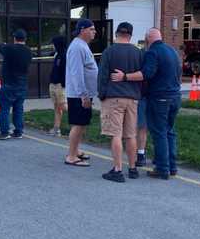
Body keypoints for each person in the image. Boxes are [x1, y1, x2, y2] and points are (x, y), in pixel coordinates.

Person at [111, 28, 181, 180]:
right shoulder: (172, 51)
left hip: (160, 97)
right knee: (170, 131)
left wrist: (125, 77)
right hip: (175, 96)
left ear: (148, 39)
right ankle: (172, 166)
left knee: (159, 132)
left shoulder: (152, 52)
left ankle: (162, 169)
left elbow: (146, 74)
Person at [97, 22, 144, 182]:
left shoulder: (109, 52)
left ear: (116, 34)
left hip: (114, 97)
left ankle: (117, 170)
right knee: (130, 135)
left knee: (115, 134)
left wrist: (102, 95)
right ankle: (132, 168)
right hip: (133, 98)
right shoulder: (138, 53)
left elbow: (102, 76)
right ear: (130, 35)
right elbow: (142, 76)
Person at [64, 19, 98, 167]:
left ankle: (76, 150)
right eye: (91, 29)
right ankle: (71, 156)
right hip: (79, 95)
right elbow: (76, 73)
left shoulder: (82, 45)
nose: (94, 32)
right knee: (78, 124)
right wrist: (83, 95)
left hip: (85, 93)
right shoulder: (77, 47)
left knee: (82, 124)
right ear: (82, 30)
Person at [0, 29, 33, 140]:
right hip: (22, 83)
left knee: (4, 108)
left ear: (14, 38)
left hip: (9, 83)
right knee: (18, 108)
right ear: (25, 39)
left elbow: (0, 47)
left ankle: (4, 132)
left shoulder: (10, 48)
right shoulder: (28, 51)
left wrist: (4, 44)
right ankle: (18, 131)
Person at [47, 36, 67, 137]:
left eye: (54, 44)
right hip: (53, 84)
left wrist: (63, 84)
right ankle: (56, 128)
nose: (52, 46)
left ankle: (78, 119)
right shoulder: (57, 55)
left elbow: (66, 71)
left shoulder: (64, 55)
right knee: (56, 107)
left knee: (63, 106)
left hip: (60, 85)